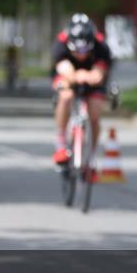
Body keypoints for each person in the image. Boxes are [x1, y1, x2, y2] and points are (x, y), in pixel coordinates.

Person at [51, 13, 112, 167]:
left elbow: (99, 73)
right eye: (77, 51)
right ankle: (61, 142)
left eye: (85, 51)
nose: (81, 55)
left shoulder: (101, 46)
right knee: (65, 96)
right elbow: (64, 69)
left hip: (91, 77)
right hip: (69, 76)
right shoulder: (61, 43)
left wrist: (92, 75)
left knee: (95, 111)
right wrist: (76, 76)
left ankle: (91, 154)